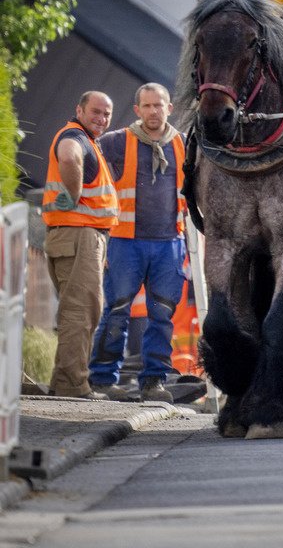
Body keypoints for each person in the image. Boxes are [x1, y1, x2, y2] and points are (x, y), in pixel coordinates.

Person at [88, 84, 188, 403]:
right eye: (146, 106)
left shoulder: (182, 144)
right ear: (137, 110)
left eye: (158, 106)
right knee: (116, 311)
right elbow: (87, 162)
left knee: (162, 315)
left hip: (169, 243)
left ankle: (153, 382)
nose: (153, 112)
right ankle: (103, 380)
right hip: (125, 242)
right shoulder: (117, 141)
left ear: (169, 108)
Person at [41, 91, 119, 399]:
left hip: (83, 236)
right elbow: (70, 155)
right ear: (79, 110)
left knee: (84, 309)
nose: (101, 119)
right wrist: (72, 195)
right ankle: (72, 386)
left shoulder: (88, 140)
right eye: (95, 112)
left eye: (106, 114)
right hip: (78, 234)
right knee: (80, 311)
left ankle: (65, 380)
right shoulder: (75, 136)